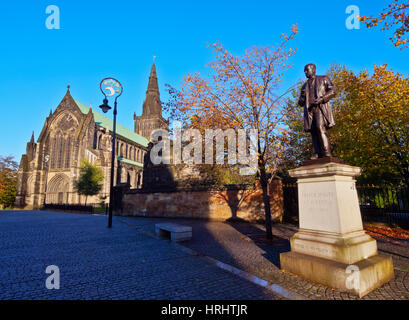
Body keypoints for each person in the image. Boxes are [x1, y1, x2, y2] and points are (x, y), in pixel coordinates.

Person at [298, 63, 336, 159]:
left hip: (320, 108)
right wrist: (302, 97)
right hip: (310, 111)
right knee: (314, 131)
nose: (305, 72)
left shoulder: (324, 79)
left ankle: (326, 152)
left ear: (313, 69)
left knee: (320, 128)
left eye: (307, 70)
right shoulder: (304, 86)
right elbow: (300, 103)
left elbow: (333, 91)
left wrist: (322, 98)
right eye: (304, 71)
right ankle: (317, 153)